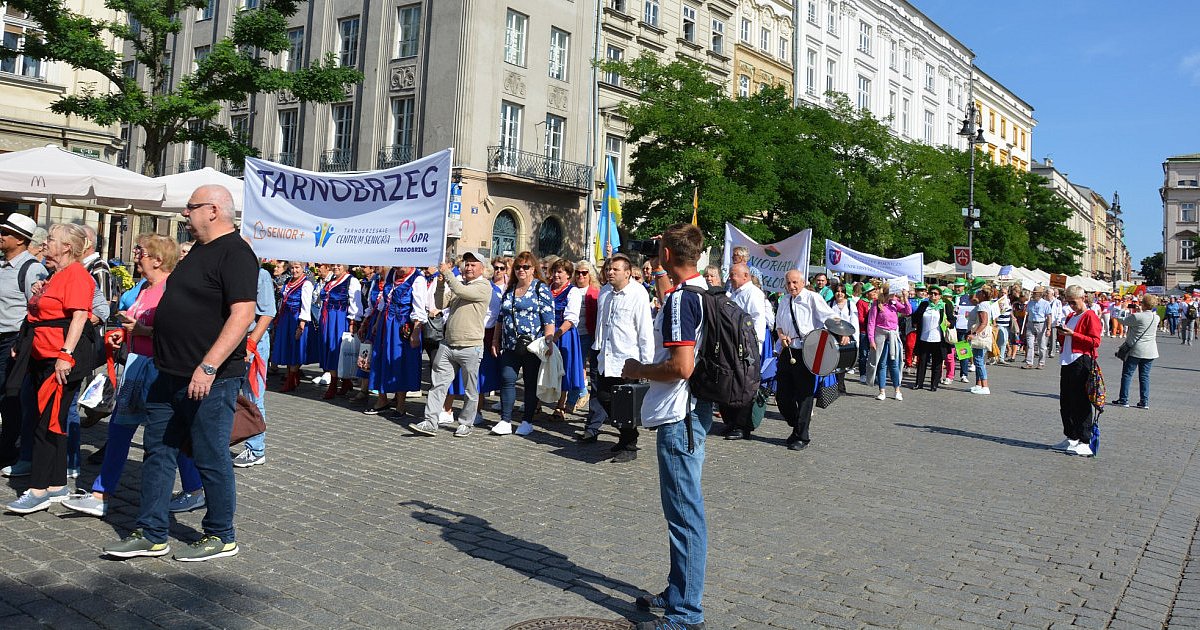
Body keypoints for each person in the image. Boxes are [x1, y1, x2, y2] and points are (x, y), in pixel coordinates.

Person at [101, 184, 257, 561]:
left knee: (209, 455)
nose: (185, 214)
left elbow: (243, 315)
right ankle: (152, 532)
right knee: (158, 451)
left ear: (214, 211)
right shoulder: (199, 252)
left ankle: (222, 534)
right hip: (167, 371)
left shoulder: (236, 253)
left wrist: (208, 366)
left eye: (190, 208)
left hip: (209, 378)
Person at [622, 223, 709, 630]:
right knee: (682, 512)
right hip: (694, 411)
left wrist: (640, 369)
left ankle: (686, 614)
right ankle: (678, 592)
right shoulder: (701, 293)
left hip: (681, 416)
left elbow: (681, 366)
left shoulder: (681, 302)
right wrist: (660, 271)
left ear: (669, 255)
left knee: (684, 516)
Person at [61, 235, 178, 517]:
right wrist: (121, 335)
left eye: (141, 252)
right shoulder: (144, 288)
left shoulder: (172, 290)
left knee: (172, 436)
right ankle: (101, 493)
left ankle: (195, 489)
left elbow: (179, 333)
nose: (136, 256)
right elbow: (134, 324)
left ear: (158, 259)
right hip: (135, 364)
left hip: (159, 369)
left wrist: (143, 332)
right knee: (119, 428)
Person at [4, 224, 94, 514]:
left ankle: (38, 489)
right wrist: (38, 292)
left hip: (60, 358)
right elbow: (42, 311)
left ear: (67, 247)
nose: (45, 244)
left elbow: (80, 317)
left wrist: (65, 355)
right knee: (50, 420)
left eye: (51, 240)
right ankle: (56, 485)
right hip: (43, 356)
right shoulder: (57, 275)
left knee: (46, 423)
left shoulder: (77, 275)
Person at [405, 252, 492, 437]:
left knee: (470, 389)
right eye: (467, 264)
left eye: (473, 265)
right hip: (448, 344)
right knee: (438, 385)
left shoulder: (484, 286)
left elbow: (461, 292)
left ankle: (466, 423)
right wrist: (440, 282)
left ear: (482, 269)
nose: (468, 267)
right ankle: (430, 421)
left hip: (470, 345)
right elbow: (439, 303)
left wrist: (448, 274)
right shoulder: (460, 284)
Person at [584, 254, 654, 460]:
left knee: (625, 404)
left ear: (628, 272)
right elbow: (601, 324)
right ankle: (626, 437)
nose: (610, 272)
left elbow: (644, 329)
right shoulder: (605, 292)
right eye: (608, 269)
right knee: (605, 397)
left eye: (615, 269)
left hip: (628, 359)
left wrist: (646, 363)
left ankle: (629, 445)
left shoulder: (638, 293)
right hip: (606, 356)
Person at [0, 214, 49, 471]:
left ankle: (9, 448)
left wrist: (23, 341)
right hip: (2, 336)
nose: (1, 236)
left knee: (12, 394)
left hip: (14, 339)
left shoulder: (32, 268)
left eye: (5, 233)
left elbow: (38, 307)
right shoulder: (3, 265)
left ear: (20, 239)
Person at [774, 270, 839, 450]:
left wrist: (842, 331)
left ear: (802, 282)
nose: (791, 286)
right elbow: (778, 325)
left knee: (804, 395)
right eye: (788, 283)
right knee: (782, 396)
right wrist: (781, 336)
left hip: (807, 352)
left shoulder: (812, 298)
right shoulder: (784, 301)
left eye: (795, 282)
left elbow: (830, 318)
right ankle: (796, 425)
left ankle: (802, 436)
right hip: (788, 352)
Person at [492, 251, 554, 437]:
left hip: (532, 345)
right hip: (510, 344)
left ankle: (527, 421)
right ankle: (505, 420)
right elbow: (500, 318)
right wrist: (496, 340)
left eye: (526, 267)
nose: (521, 270)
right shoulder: (510, 290)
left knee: (530, 382)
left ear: (533, 269)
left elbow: (548, 319)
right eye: (518, 267)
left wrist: (549, 341)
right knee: (507, 379)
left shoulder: (540, 289)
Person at [230, 262, 276, 467]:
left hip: (252, 339)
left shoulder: (261, 274)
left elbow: (267, 313)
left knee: (253, 395)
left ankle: (256, 449)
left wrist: (250, 344)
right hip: (231, 338)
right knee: (229, 393)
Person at [365, 266, 427, 415]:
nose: (399, 268)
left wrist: (416, 332)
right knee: (380, 358)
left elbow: (419, 309)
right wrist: (376, 323)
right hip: (385, 324)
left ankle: (400, 404)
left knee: (400, 361)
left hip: (403, 325)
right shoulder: (391, 274)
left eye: (402, 265)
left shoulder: (417, 279)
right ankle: (382, 399)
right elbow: (384, 304)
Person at [1051, 285, 1102, 457]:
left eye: (1074, 302)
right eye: (1069, 302)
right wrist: (1061, 333)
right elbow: (1067, 337)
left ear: (1083, 298)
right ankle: (1071, 436)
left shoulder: (1090, 316)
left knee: (1081, 402)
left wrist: (1073, 334)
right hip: (1067, 360)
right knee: (1066, 401)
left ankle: (1085, 440)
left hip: (1081, 360)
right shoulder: (1072, 315)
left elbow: (1095, 341)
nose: (1071, 305)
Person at [721, 263, 769, 440]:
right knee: (732, 385)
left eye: (733, 274)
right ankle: (732, 422)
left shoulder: (753, 294)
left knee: (744, 387)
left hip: (746, 348)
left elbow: (757, 321)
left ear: (745, 276)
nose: (730, 278)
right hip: (733, 346)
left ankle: (742, 425)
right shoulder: (735, 292)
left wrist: (752, 348)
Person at [313, 264, 362, 399]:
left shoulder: (351, 281)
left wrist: (353, 321)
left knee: (336, 348)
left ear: (345, 266)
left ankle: (334, 384)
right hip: (327, 319)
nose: (335, 267)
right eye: (333, 265)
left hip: (340, 318)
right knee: (328, 346)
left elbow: (355, 302)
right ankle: (345, 382)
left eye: (338, 265)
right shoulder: (331, 281)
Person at [546, 258, 586, 421]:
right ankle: (538, 402)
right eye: (555, 271)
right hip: (546, 331)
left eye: (560, 271)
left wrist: (555, 336)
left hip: (564, 333)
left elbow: (571, 319)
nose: (556, 274)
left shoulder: (573, 291)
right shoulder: (547, 289)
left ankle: (560, 405)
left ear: (568, 275)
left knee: (563, 369)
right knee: (543, 368)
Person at [1112, 294, 1159, 409]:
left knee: (1127, 374)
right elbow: (1145, 317)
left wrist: (1122, 309)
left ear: (1143, 304)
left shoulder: (1137, 316)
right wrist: (1140, 310)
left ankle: (1124, 399)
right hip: (1150, 351)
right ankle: (1144, 401)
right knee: (1145, 376)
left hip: (1135, 350)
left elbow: (1121, 320)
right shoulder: (1156, 317)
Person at [866, 283, 912, 401]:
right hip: (880, 335)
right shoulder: (877, 304)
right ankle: (882, 390)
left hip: (892, 336)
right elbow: (871, 323)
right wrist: (871, 340)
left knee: (894, 364)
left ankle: (897, 389)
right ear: (887, 293)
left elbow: (908, 311)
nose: (895, 295)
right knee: (881, 364)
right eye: (893, 293)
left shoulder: (894, 303)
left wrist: (905, 298)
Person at [273, 261, 313, 392]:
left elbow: (306, 305)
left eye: (297, 268)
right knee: (288, 348)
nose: (294, 270)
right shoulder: (288, 281)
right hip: (285, 318)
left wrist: (301, 324)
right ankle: (292, 378)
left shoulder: (306, 284)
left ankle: (291, 380)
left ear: (303, 268)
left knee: (295, 349)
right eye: (292, 268)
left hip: (296, 319)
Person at [567, 260, 599, 414]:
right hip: (571, 333)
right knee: (572, 366)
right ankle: (578, 394)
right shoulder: (570, 290)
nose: (580, 276)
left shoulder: (594, 292)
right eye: (578, 272)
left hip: (587, 333)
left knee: (577, 366)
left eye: (584, 273)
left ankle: (575, 398)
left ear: (590, 275)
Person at [911, 285, 949, 391]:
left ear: (940, 296)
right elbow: (916, 316)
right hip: (924, 337)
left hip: (938, 339)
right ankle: (919, 383)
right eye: (931, 293)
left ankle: (934, 384)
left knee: (937, 362)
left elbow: (952, 319)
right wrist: (915, 322)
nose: (933, 295)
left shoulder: (945, 306)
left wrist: (950, 323)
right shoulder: (924, 304)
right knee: (922, 362)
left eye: (935, 294)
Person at [965, 287, 995, 395]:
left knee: (978, 360)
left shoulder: (983, 305)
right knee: (979, 360)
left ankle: (985, 386)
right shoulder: (987, 304)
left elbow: (984, 322)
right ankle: (978, 384)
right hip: (983, 335)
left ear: (983, 294)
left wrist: (974, 334)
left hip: (980, 336)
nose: (977, 293)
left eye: (979, 292)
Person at [1023, 287, 1051, 369]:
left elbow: (1049, 316)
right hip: (1031, 323)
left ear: (1040, 294)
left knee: (1041, 345)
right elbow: (1027, 313)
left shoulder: (1045, 303)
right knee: (1030, 344)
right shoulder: (1030, 303)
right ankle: (1029, 363)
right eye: (1034, 293)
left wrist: (1048, 328)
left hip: (1041, 324)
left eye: (1036, 293)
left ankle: (1041, 363)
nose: (1035, 294)